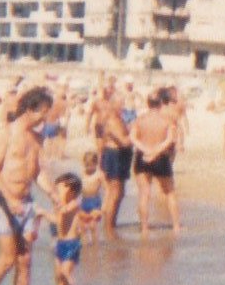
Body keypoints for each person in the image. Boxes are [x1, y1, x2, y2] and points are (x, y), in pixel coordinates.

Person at [0, 86, 56, 285]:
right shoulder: (7, 133)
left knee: (25, 260)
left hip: (26, 202)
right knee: (7, 258)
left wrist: (52, 193)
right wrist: (9, 198)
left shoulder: (37, 138)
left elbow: (37, 171)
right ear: (30, 109)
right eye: (43, 112)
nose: (45, 118)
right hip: (3, 201)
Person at [131, 90, 181, 238]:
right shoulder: (167, 120)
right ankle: (176, 225)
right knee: (170, 193)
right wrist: (155, 151)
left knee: (144, 194)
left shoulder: (139, 120)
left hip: (143, 156)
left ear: (148, 104)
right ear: (160, 104)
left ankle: (145, 228)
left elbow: (133, 138)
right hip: (160, 157)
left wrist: (146, 150)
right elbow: (170, 139)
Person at [37, 172, 84, 285]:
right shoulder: (61, 206)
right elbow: (56, 220)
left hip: (72, 244)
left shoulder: (74, 204)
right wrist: (43, 214)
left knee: (65, 272)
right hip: (60, 244)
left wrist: (53, 208)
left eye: (61, 189)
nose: (57, 192)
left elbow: (63, 213)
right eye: (57, 189)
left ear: (72, 192)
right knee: (58, 275)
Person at [95, 93, 133, 240]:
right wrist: (135, 134)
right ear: (113, 104)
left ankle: (112, 223)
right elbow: (123, 142)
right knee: (115, 192)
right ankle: (109, 227)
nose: (123, 106)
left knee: (119, 192)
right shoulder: (112, 120)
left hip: (119, 156)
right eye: (120, 104)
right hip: (115, 155)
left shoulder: (118, 118)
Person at [78, 150, 105, 245]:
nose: (88, 168)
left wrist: (104, 206)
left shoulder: (99, 174)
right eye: (86, 165)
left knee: (93, 226)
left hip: (95, 201)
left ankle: (95, 245)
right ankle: (84, 245)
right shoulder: (82, 173)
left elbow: (106, 189)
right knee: (82, 226)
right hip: (84, 201)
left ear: (96, 163)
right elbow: (78, 189)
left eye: (90, 165)